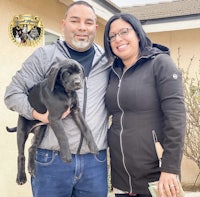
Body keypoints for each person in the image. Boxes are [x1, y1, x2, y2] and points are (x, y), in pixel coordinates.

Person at [4, 1, 110, 197]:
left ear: (95, 28)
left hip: (95, 162)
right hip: (51, 161)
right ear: (63, 24)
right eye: (75, 21)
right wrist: (37, 114)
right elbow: (12, 94)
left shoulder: (107, 60)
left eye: (88, 22)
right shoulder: (45, 56)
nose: (81, 27)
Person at [104, 13, 186, 197]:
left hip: (158, 177)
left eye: (124, 31)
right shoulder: (112, 72)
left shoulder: (161, 64)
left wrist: (170, 169)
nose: (118, 39)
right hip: (122, 180)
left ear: (138, 33)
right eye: (112, 36)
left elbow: (176, 119)